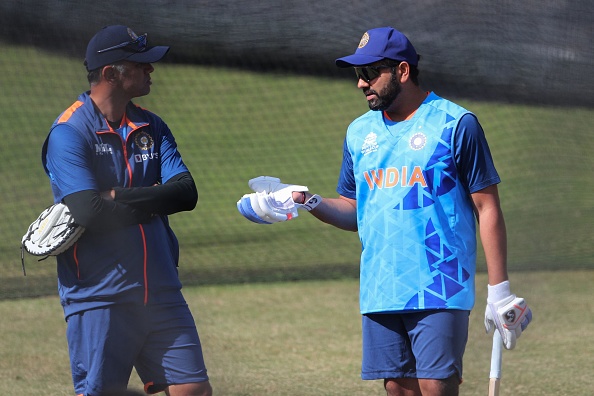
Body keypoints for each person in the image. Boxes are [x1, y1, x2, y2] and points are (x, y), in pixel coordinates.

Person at [237, 27, 531, 396]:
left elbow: (487, 207)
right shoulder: (359, 133)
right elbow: (354, 209)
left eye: (369, 73)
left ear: (403, 72)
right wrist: (306, 200)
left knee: (436, 387)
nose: (360, 84)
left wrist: (499, 290)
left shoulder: (456, 124)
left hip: (440, 284)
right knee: (397, 388)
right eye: (357, 75)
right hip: (380, 287)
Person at [41, 25, 212, 396]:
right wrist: (152, 199)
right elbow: (88, 210)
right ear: (110, 74)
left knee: (193, 389)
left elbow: (185, 193)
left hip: (161, 286)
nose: (151, 70)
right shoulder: (69, 132)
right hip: (100, 293)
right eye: (141, 65)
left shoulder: (152, 125)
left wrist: (116, 195)